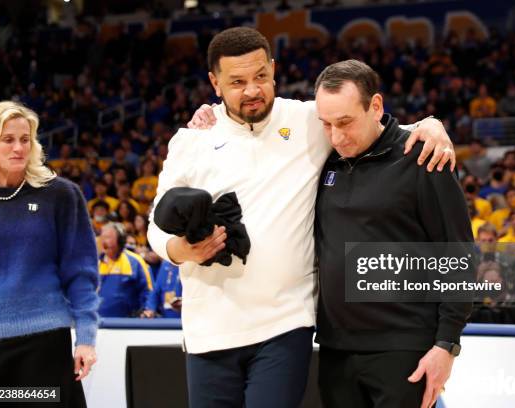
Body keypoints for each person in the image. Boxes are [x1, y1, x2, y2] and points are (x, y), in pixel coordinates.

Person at [149, 27, 456, 408]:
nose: (252, 90)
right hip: (210, 329)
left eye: (261, 76)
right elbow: (155, 228)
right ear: (214, 83)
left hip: (285, 324)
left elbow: (369, 125)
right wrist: (180, 250)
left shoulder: (309, 120)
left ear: (274, 69)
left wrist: (429, 125)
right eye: (237, 82)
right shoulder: (191, 141)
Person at [313, 60, 472, 408]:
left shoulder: (424, 158)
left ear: (376, 106)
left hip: (405, 350)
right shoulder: (324, 157)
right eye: (326, 124)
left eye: (345, 122)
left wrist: (446, 345)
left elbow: (458, 255)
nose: (337, 136)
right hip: (334, 349)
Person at [0, 101, 99, 407]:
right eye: (8, 139)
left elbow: (81, 273)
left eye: (25, 139)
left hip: (45, 343)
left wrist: (86, 337)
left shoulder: (60, 195)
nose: (18, 147)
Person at [98, 222, 153, 317]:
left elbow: (148, 291)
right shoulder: (95, 263)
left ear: (120, 240)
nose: (104, 242)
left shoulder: (135, 261)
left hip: (127, 324)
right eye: (103, 237)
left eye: (108, 237)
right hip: (99, 324)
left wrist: (147, 310)